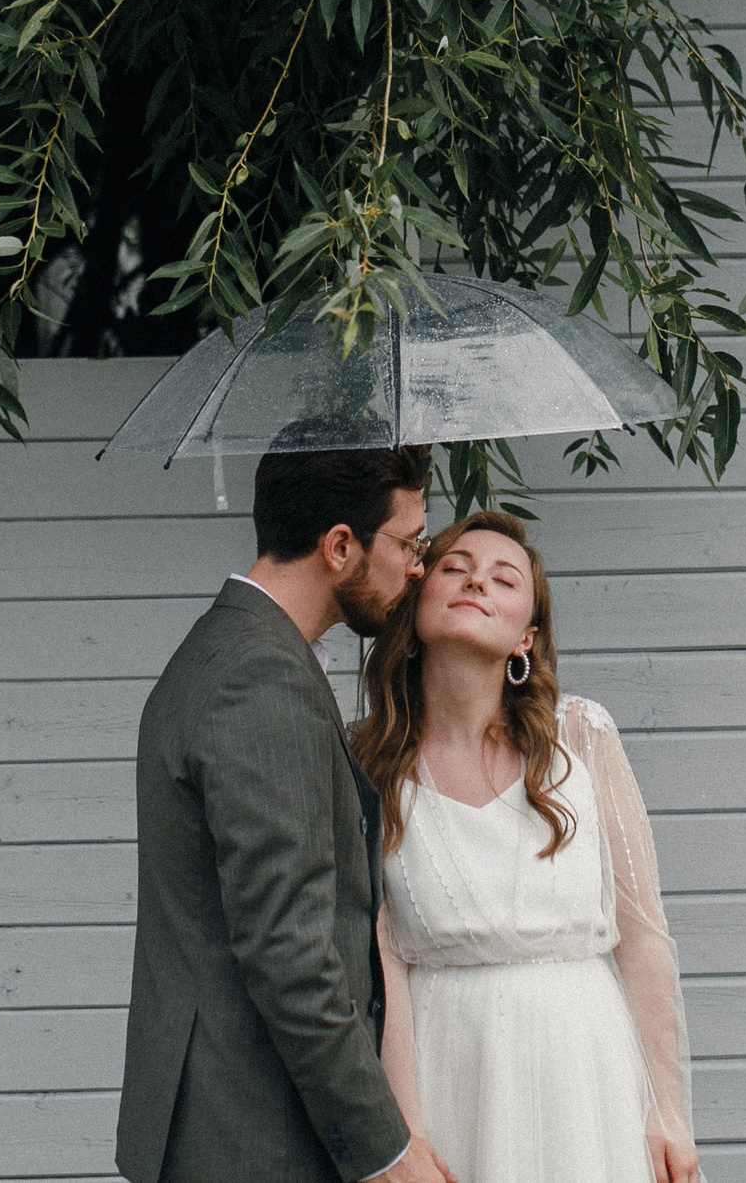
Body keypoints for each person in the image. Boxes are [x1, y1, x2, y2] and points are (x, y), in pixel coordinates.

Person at [118, 441, 456, 1183]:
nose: (419, 566)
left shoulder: (233, 649)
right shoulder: (260, 680)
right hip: (249, 1135)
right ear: (340, 546)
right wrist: (387, 1150)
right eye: (407, 542)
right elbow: (290, 952)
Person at [351, 511, 699, 1183]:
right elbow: (383, 958)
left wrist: (667, 1110)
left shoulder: (582, 738)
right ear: (415, 600)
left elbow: (643, 936)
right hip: (448, 1063)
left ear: (527, 638)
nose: (476, 580)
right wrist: (406, 1131)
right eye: (453, 567)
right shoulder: (368, 758)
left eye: (503, 578)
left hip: (582, 1068)